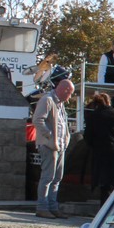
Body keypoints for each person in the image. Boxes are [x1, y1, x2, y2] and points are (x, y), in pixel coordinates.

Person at [32, 77, 74, 219]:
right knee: (48, 177)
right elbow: (38, 119)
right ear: (64, 90)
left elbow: (63, 124)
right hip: (49, 145)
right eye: (70, 93)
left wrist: (66, 138)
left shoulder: (60, 104)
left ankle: (52, 207)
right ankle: (42, 207)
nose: (70, 97)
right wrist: (49, 136)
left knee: (57, 178)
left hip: (60, 145)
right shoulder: (47, 100)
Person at [82, 91, 114, 202]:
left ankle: (105, 208)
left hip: (101, 152)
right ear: (108, 101)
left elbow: (88, 136)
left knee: (104, 184)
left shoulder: (93, 116)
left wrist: (94, 146)